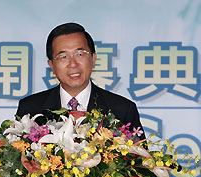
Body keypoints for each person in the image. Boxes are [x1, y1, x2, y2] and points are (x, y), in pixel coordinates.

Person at [16, 22, 146, 140]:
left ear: (93, 58)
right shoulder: (30, 109)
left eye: (80, 54)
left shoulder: (122, 110)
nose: (72, 64)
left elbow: (140, 163)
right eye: (63, 56)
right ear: (51, 65)